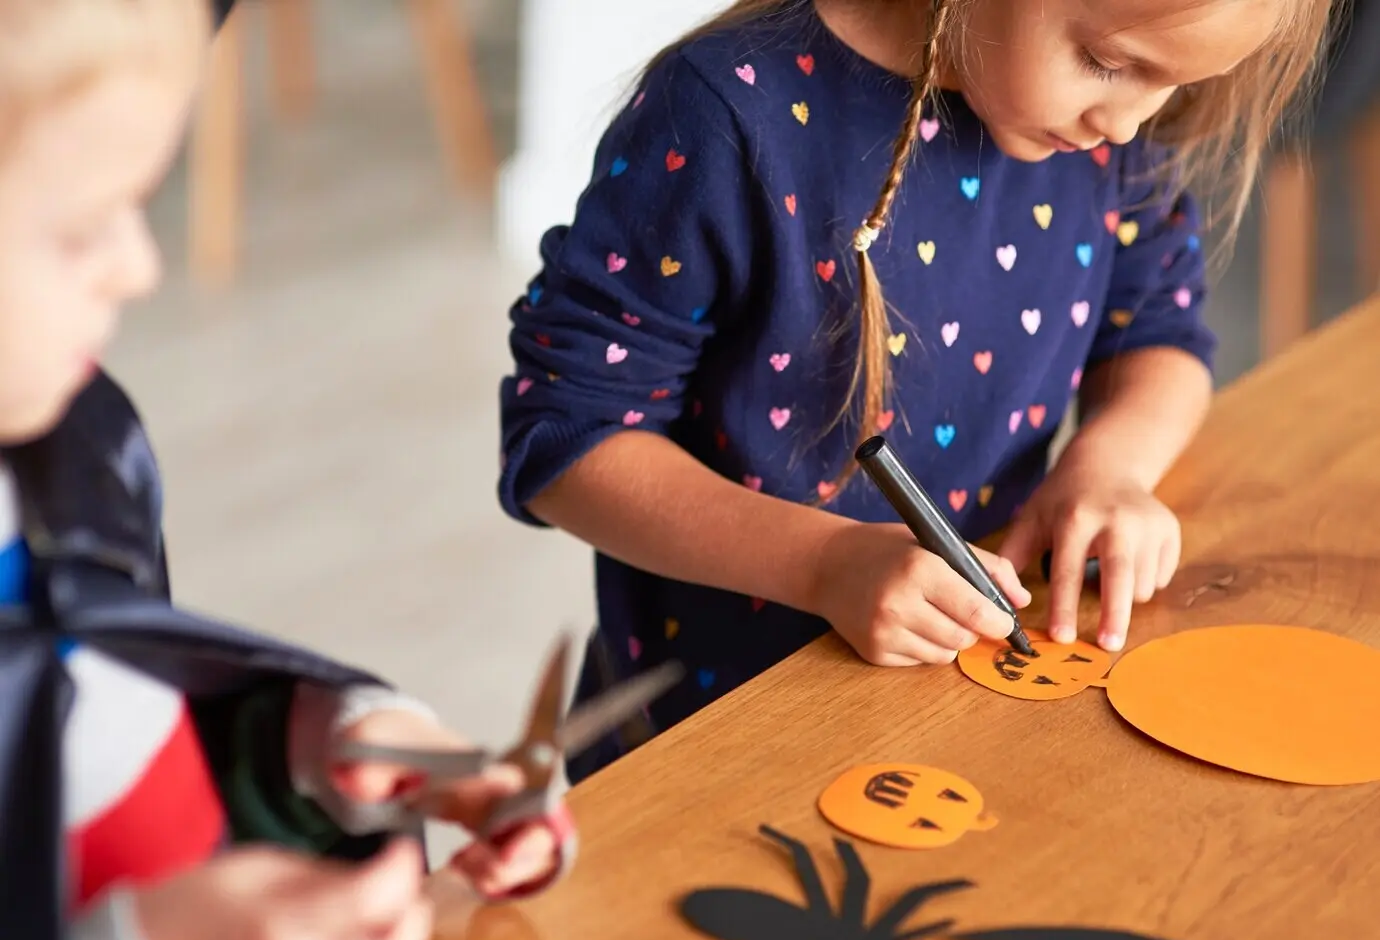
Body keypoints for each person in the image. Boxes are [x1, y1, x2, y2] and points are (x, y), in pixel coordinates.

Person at [497, 0, 1333, 782]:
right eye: (1105, 63)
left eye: (1176, 84)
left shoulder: (1102, 134)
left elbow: (1162, 335)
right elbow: (567, 440)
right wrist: (826, 565)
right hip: (711, 735)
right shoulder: (725, 113)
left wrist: (1110, 466)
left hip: (960, 717)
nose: (1126, 122)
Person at [0, 1, 567, 940]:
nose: (140, 267)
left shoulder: (72, 450)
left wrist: (321, 747)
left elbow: (105, 727)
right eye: (81, 228)